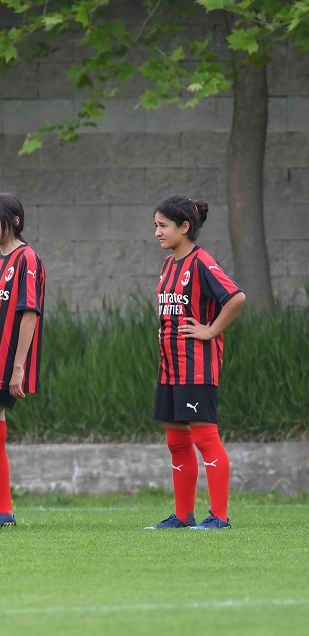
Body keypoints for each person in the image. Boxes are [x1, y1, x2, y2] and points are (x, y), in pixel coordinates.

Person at [146, 195, 245, 530]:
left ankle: (219, 516)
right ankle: (184, 515)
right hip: (170, 367)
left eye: (163, 226)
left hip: (196, 366)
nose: (157, 232)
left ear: (184, 227)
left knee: (205, 439)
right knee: (176, 441)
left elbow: (236, 296)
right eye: (156, 225)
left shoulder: (201, 261)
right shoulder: (168, 264)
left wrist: (211, 330)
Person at [0, 193, 45, 527]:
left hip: (6, 366)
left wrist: (18, 366)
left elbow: (29, 314)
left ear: (15, 221)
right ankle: (3, 511)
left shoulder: (26, 258)